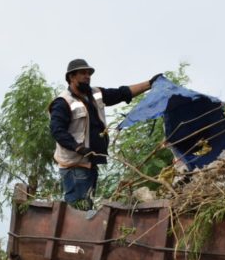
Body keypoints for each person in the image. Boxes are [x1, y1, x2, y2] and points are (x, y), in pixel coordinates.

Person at [49, 59, 161, 210]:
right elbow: (57, 131)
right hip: (74, 167)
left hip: (90, 164)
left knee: (86, 209)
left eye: (89, 73)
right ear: (71, 77)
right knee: (79, 211)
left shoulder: (96, 94)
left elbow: (122, 93)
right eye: (83, 73)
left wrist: (150, 83)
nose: (87, 76)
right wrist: (77, 148)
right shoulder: (63, 102)